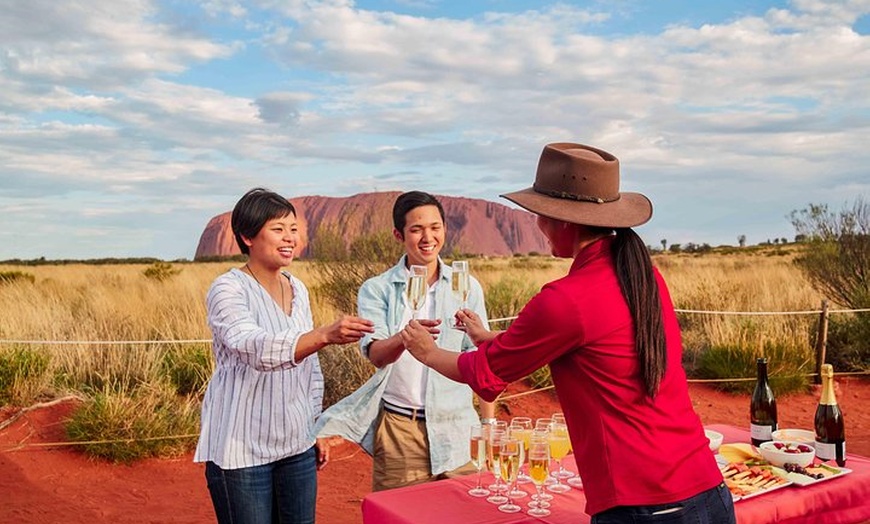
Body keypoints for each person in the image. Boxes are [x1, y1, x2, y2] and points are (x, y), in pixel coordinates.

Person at [401, 144, 735, 523]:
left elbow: (484, 374)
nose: (539, 226)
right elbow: (596, 347)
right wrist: (489, 338)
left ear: (563, 220)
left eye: (541, 216)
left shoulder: (568, 298)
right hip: (706, 488)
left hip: (645, 505)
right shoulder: (643, 277)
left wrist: (426, 351)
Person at [194, 188, 374, 524]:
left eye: (293, 228)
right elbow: (252, 346)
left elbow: (310, 370)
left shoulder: (298, 287)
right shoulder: (228, 289)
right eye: (278, 229)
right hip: (241, 451)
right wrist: (323, 335)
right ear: (247, 236)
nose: (289, 237)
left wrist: (315, 427)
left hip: (296, 446)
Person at [315, 190, 496, 491]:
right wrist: (404, 338)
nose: (428, 237)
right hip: (401, 431)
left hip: (459, 429)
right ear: (399, 235)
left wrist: (488, 427)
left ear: (444, 230)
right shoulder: (377, 289)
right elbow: (376, 355)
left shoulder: (466, 287)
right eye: (417, 229)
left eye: (435, 227)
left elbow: (484, 359)